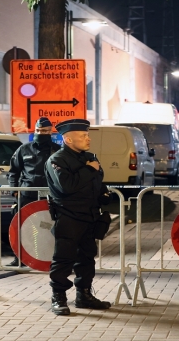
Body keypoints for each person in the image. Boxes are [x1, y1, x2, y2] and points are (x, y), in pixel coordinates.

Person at [44, 118, 111, 316]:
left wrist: (104, 195)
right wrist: (90, 169)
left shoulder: (89, 157)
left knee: (87, 259)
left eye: (87, 135)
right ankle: (59, 297)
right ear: (68, 140)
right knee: (64, 259)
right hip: (69, 217)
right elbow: (67, 186)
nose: (88, 138)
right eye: (83, 136)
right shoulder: (57, 160)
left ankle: (84, 295)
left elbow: (98, 182)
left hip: (90, 216)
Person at [7, 117, 61, 266]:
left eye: (44, 131)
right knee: (23, 227)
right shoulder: (24, 149)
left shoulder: (57, 150)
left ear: (50, 132)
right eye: (38, 130)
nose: (40, 133)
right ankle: (20, 259)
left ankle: (48, 258)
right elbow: (13, 171)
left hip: (50, 196)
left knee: (48, 226)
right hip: (27, 194)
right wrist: (15, 191)